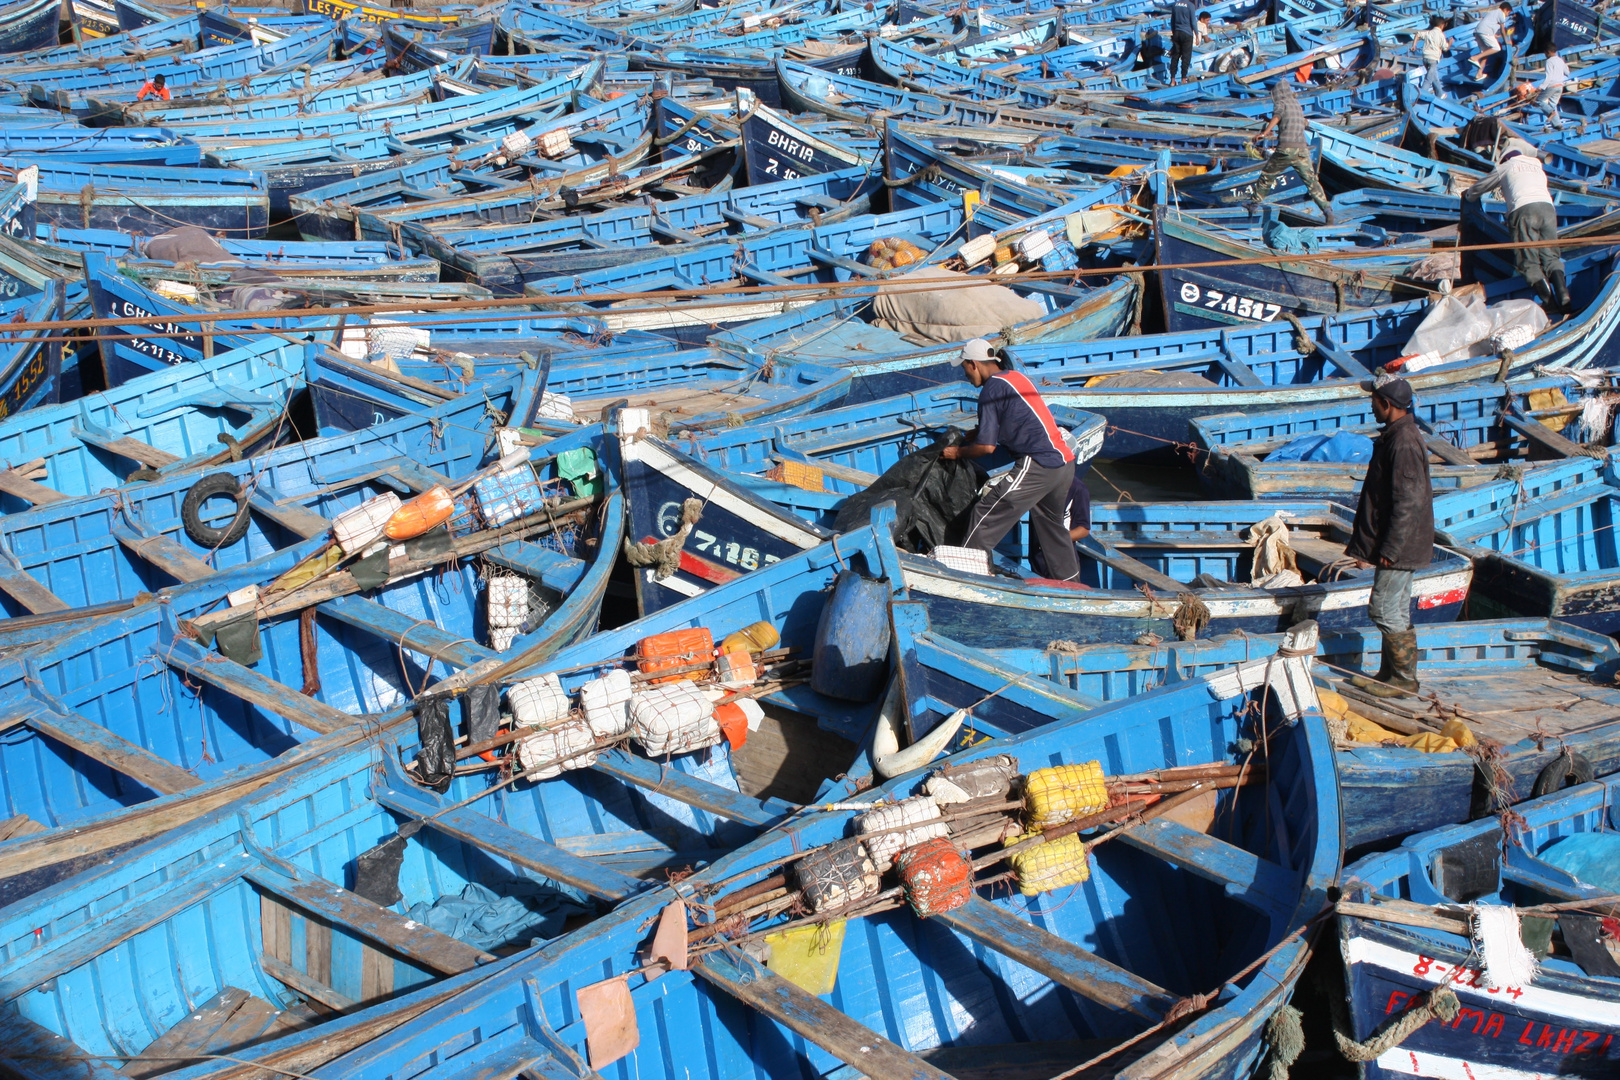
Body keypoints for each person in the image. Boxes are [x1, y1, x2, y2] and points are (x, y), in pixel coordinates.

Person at [942, 340, 1080, 582]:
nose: (965, 375)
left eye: (964, 368)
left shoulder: (990, 390)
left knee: (983, 516)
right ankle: (1072, 586)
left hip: (1039, 464)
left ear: (974, 364)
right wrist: (981, 431)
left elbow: (986, 447)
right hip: (1065, 462)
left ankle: (969, 579)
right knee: (1053, 528)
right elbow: (1019, 417)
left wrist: (957, 454)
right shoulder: (1015, 377)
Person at [1344, 378, 1432, 697]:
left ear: (1387, 404)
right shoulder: (1397, 435)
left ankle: (1405, 680)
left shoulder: (1403, 442)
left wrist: (1391, 548)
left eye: (1374, 400)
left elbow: (1408, 501)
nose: (1371, 405)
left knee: (1381, 609)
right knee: (1395, 609)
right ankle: (1390, 674)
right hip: (1397, 543)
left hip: (1400, 545)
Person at [1464, 137, 1569, 313]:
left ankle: (1549, 302)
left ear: (1505, 157)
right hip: (1548, 208)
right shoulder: (1536, 164)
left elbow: (1481, 187)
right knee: (1551, 256)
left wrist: (1469, 196)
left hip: (1523, 210)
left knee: (1528, 261)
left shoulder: (1506, 166)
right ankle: (1564, 293)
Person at [1253, 79, 1335, 224]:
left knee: (1267, 175)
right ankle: (1327, 210)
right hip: (1302, 149)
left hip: (1286, 149)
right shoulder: (1297, 104)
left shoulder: (1281, 103)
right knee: (1311, 182)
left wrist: (1265, 133)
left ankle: (1254, 204)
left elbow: (1278, 116)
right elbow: (1300, 122)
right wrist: (1269, 120)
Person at [1470, 1, 1510, 79]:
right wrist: (1506, 41)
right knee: (1496, 48)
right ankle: (1475, 58)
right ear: (1505, 10)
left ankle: (1479, 74)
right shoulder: (1501, 14)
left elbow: (1488, 23)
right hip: (1485, 32)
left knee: (1486, 53)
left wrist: (1493, 35)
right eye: (1508, 13)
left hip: (1478, 32)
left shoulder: (1493, 12)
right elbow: (1502, 29)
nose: (1507, 15)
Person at [1412, 16, 1449, 98]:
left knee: (1434, 76)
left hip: (1425, 58)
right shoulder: (1441, 35)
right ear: (1442, 25)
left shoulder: (1428, 32)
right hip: (1433, 59)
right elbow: (1445, 48)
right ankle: (1421, 94)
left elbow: (1417, 34)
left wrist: (1414, 45)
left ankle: (1440, 94)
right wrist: (1450, 43)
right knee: (1428, 79)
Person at [1535, 45, 1569, 130]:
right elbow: (1567, 72)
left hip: (1552, 86)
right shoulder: (1560, 60)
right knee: (1552, 105)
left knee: (1539, 101)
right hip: (1560, 86)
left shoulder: (1549, 61)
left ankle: (1551, 113)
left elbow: (1549, 76)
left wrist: (1541, 87)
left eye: (1545, 53)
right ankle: (1558, 125)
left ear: (1548, 52)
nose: (1545, 55)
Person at [1167, 0, 1197, 84]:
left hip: (1177, 32)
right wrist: (1197, 35)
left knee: (1175, 56)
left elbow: (1172, 21)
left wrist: (1174, 32)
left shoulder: (1175, 5)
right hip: (1187, 34)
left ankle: (1172, 80)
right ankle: (1183, 79)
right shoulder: (1190, 5)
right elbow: (1193, 22)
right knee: (1186, 57)